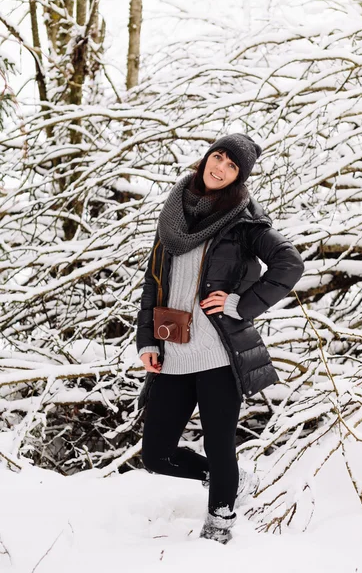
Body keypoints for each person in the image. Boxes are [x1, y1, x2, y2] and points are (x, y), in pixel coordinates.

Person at [136, 133, 304, 544]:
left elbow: (289, 263)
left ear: (238, 177)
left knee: (219, 445)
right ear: (207, 157)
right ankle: (227, 480)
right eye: (219, 156)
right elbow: (152, 284)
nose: (221, 167)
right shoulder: (174, 216)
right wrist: (147, 341)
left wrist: (239, 304)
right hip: (172, 350)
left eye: (232, 166)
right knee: (156, 454)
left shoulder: (244, 221)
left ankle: (220, 523)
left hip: (217, 354)